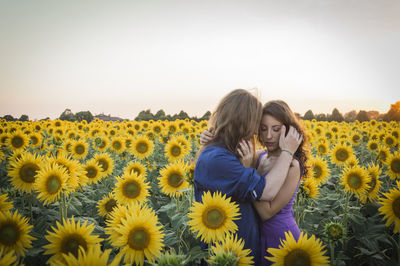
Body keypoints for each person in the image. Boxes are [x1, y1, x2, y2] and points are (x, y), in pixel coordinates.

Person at [195, 90, 302, 265]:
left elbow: (265, 207)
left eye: (275, 129)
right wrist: (208, 141)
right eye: (261, 127)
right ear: (243, 122)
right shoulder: (253, 156)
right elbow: (259, 186)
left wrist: (287, 152)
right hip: (238, 248)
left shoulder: (291, 165)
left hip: (279, 237)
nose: (265, 135)